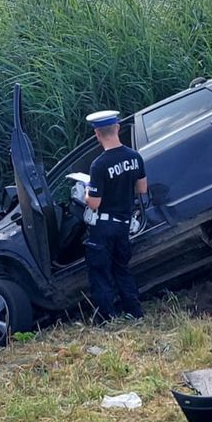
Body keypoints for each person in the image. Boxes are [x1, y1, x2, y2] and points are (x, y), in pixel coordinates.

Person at [83, 109, 148, 321]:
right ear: (117, 128)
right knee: (122, 269)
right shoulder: (134, 157)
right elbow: (142, 189)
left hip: (103, 227)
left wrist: (85, 192)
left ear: (97, 134)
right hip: (123, 224)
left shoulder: (99, 165)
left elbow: (94, 203)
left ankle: (106, 317)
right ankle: (134, 312)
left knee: (100, 272)